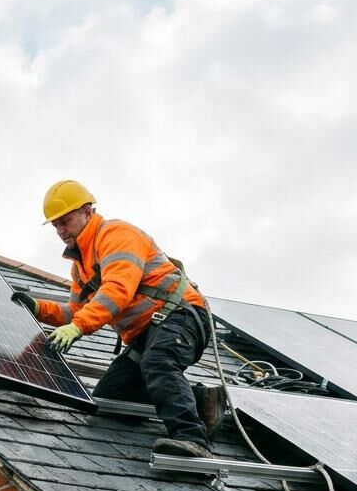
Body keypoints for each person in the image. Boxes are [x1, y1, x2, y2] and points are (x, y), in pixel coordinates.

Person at [12, 180, 221, 458]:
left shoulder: (117, 235)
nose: (61, 231)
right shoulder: (81, 266)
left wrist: (78, 328)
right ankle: (201, 400)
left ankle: (193, 440)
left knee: (158, 362)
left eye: (66, 221)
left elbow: (117, 290)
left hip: (181, 316)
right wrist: (38, 307)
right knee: (110, 398)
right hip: (148, 333)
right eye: (56, 226)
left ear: (88, 212)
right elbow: (75, 312)